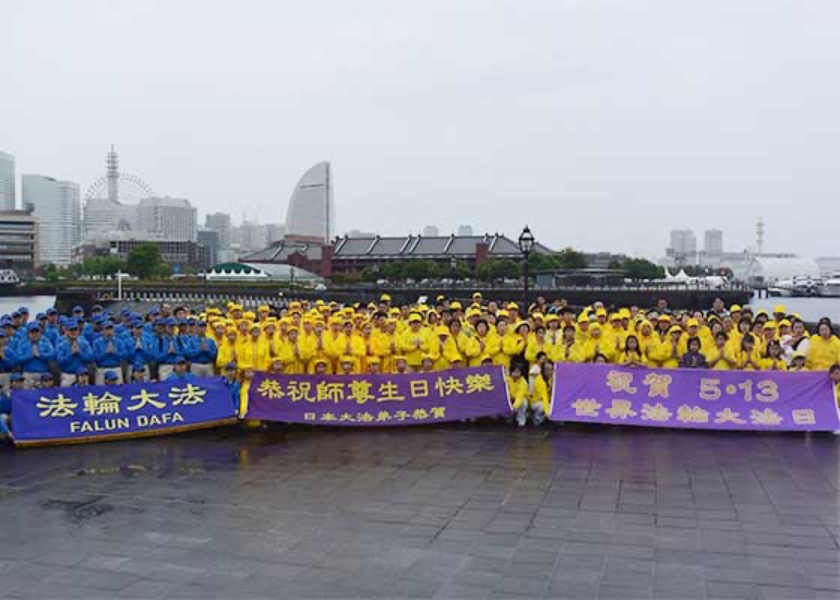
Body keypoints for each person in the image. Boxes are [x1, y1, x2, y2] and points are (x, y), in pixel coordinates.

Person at [14, 323, 55, 389]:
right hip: (28, 374)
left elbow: (52, 355)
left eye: (37, 332)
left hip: (43, 374)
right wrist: (30, 356)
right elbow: (17, 359)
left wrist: (41, 355)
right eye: (32, 332)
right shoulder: (22, 343)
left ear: (40, 333)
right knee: (27, 396)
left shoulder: (46, 342)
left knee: (43, 396)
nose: (35, 334)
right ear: (28, 334)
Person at [56, 320, 94, 386]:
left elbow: (91, 358)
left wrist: (79, 354)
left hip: (83, 376)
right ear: (66, 331)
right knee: (66, 395)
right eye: (71, 330)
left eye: (75, 330)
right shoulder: (61, 346)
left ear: (78, 331)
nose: (73, 332)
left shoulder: (84, 343)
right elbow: (60, 363)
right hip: (68, 375)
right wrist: (71, 354)